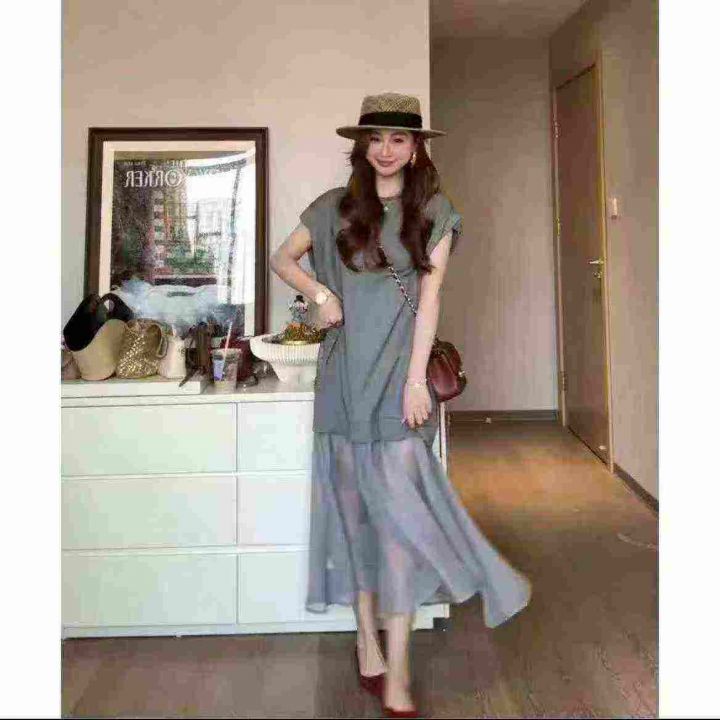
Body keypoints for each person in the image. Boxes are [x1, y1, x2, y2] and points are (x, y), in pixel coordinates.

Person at [269, 92, 531, 718]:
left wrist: (416, 381)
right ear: (362, 146)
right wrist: (320, 294)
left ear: (416, 149)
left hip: (396, 382)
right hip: (341, 379)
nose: (385, 150)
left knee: (398, 530)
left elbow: (430, 302)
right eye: (376, 138)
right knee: (355, 520)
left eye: (399, 139)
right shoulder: (332, 209)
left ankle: (400, 670)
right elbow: (283, 258)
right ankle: (368, 644)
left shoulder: (435, 213)